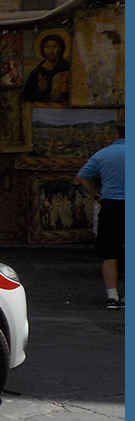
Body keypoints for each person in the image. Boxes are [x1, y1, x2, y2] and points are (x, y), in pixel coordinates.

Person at [77, 123, 125, 309]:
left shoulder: (103, 154)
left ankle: (112, 296)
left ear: (116, 133)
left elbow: (82, 177)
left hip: (111, 205)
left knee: (110, 253)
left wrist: (97, 196)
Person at [23, 33, 71, 104]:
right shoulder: (36, 72)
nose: (51, 50)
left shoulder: (67, 67)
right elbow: (27, 97)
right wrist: (41, 90)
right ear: (43, 49)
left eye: (55, 46)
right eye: (47, 47)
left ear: (60, 49)